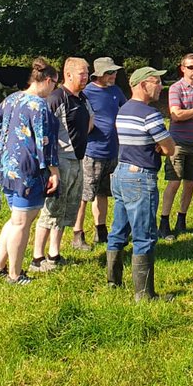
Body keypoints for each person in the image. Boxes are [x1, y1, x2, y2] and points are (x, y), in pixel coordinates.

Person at [0, 59, 61, 285]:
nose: (54, 89)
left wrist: (5, 145)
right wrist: (54, 171)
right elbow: (45, 142)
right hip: (28, 171)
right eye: (55, 84)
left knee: (16, 219)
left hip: (6, 166)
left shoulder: (12, 98)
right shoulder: (40, 106)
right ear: (47, 80)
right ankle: (15, 274)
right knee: (22, 223)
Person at [106, 66, 176, 301]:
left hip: (121, 173)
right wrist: (160, 146)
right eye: (157, 82)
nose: (161, 86)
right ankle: (144, 295)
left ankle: (113, 282)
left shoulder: (124, 109)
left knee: (118, 230)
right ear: (143, 85)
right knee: (144, 235)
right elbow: (170, 148)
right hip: (140, 177)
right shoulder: (150, 114)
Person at [31, 56, 92, 271]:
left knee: (66, 210)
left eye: (87, 73)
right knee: (51, 210)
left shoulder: (82, 98)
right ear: (68, 75)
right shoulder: (57, 98)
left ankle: (54, 254)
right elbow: (43, 131)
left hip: (78, 161)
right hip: (59, 162)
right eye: (82, 73)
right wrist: (51, 164)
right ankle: (37, 258)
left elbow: (90, 121)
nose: (86, 77)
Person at [158, 53, 193, 242]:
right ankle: (164, 222)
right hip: (177, 143)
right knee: (174, 182)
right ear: (182, 68)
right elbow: (175, 116)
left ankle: (181, 219)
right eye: (190, 67)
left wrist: (186, 113)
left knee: (190, 182)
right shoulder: (175, 88)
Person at [73, 57, 124, 250]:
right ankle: (77, 234)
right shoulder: (86, 93)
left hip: (112, 151)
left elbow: (125, 110)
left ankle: (101, 230)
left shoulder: (116, 91)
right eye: (110, 72)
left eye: (115, 72)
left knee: (103, 193)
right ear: (99, 74)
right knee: (85, 195)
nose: (114, 75)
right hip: (92, 152)